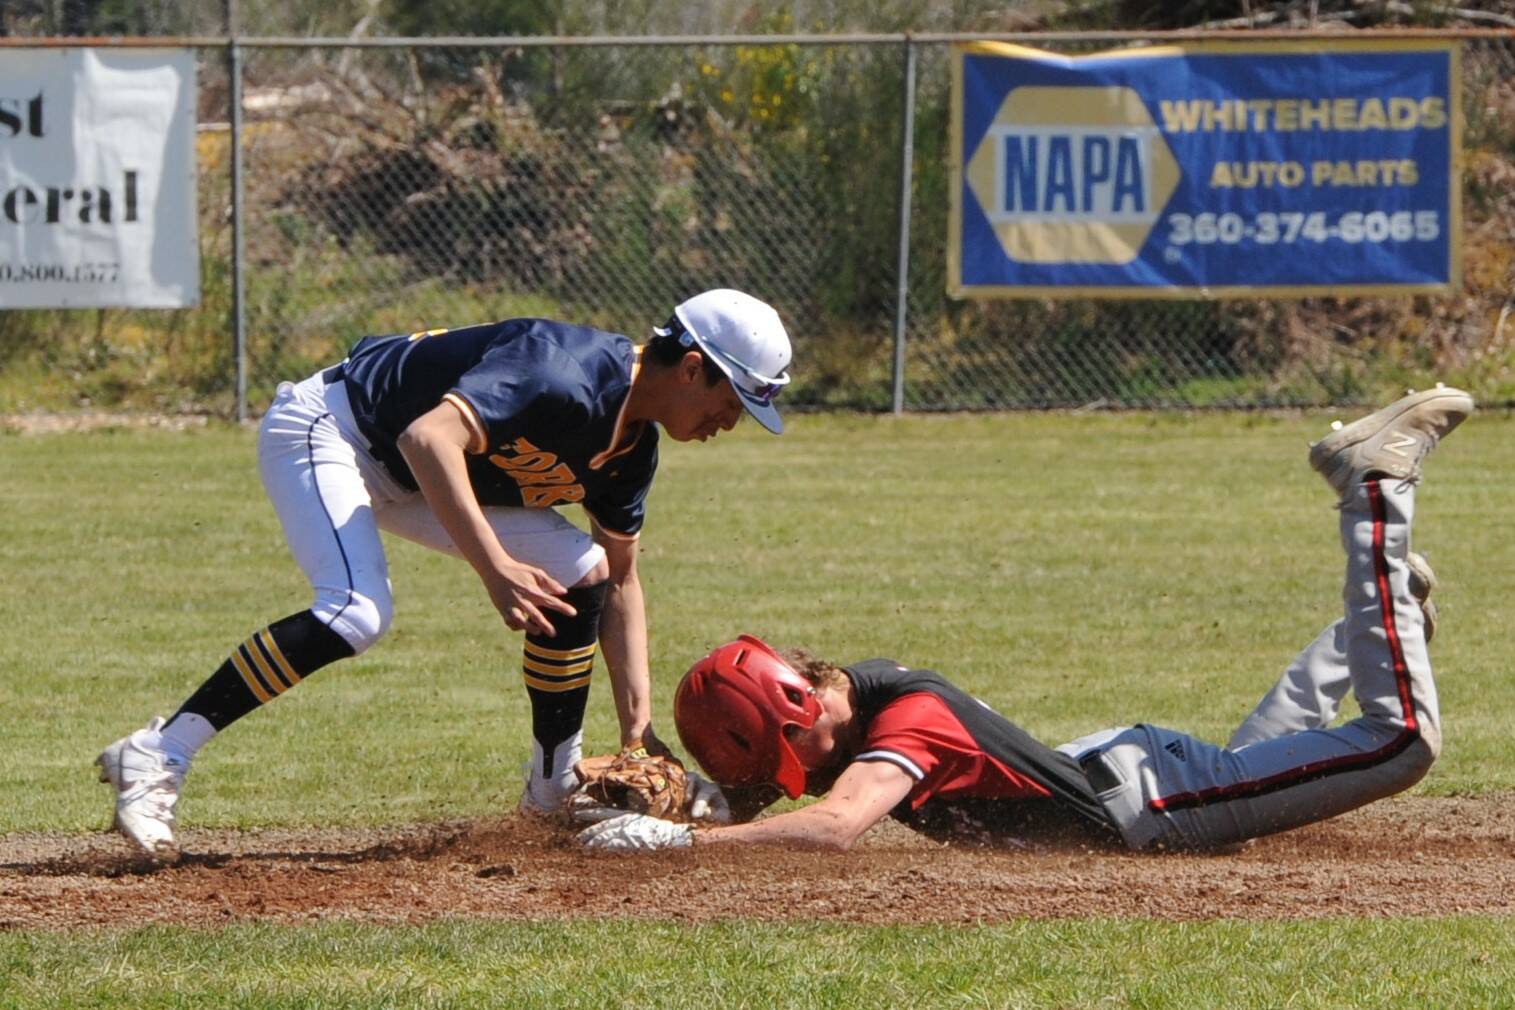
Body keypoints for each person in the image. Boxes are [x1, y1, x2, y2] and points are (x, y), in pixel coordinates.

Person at [575, 385, 1473, 852]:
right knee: (1247, 770)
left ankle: (1374, 488)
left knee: (1399, 747)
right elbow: (771, 805)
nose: (787, 779)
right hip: (1126, 775)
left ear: (800, 709)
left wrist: (678, 849)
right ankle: (1381, 616)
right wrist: (669, 804)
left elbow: (829, 828)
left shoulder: (907, 725)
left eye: (780, 755)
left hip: (1149, 806)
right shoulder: (848, 704)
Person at [96, 289, 794, 858]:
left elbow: (620, 582)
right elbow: (427, 436)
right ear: (693, 367)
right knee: (354, 611)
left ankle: (550, 789)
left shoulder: (630, 451)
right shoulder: (562, 370)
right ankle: (158, 751)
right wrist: (496, 568)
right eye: (731, 401)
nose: (728, 422)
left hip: (415, 471)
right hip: (336, 429)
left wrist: (637, 734)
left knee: (582, 573)